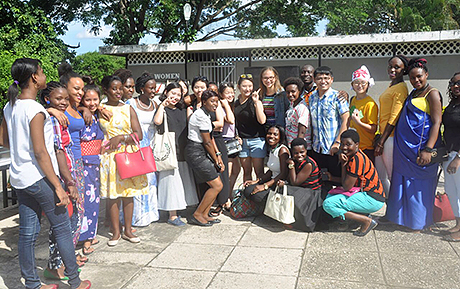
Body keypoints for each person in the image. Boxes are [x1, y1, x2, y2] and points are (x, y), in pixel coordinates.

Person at [0, 58, 91, 289]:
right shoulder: (36, 109)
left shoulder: (11, 105)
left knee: (27, 234)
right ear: (34, 78)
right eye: (41, 72)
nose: (43, 75)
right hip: (39, 178)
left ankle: (32, 283)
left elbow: (3, 140)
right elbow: (41, 153)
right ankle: (75, 281)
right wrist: (59, 186)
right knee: (62, 226)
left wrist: (22, 149)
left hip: (20, 178)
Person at [386, 58, 443, 231]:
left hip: (420, 150)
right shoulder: (413, 94)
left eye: (419, 77)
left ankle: (418, 222)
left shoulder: (432, 93)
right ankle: (401, 219)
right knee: (403, 184)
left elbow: (436, 122)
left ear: (426, 74)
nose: (416, 81)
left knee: (419, 187)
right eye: (412, 78)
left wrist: (428, 149)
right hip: (405, 150)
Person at [38, 82, 81, 279]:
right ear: (48, 99)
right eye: (58, 99)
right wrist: (68, 181)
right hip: (60, 175)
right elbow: (58, 151)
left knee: (69, 221)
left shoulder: (57, 116)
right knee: (62, 224)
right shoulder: (51, 119)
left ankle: (61, 263)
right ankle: (54, 266)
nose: (63, 102)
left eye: (65, 98)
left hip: (67, 172)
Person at [99, 75, 148, 245]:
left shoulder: (128, 109)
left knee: (128, 194)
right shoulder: (100, 108)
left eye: (120, 88)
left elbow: (139, 135)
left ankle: (128, 230)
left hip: (127, 155)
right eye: (114, 88)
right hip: (109, 158)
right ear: (106, 90)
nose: (119, 92)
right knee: (113, 196)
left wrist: (121, 137)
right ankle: (115, 231)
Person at [323, 130, 386, 237]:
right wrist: (332, 177)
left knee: (328, 204)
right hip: (368, 194)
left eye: (348, 144)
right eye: (342, 144)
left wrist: (343, 165)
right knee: (331, 195)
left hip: (372, 198)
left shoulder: (357, 159)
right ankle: (351, 219)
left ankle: (366, 221)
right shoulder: (355, 155)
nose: (344, 147)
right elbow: (347, 182)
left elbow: (347, 186)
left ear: (357, 145)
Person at [154, 83, 198, 226]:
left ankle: (180, 209)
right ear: (166, 92)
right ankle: (172, 215)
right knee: (171, 182)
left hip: (183, 149)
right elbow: (157, 121)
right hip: (169, 150)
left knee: (181, 181)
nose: (175, 97)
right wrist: (162, 105)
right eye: (172, 93)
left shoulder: (183, 108)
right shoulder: (162, 109)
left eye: (178, 95)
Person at [58, 63, 87, 264]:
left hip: (79, 162)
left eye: (82, 89)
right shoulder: (58, 110)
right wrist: (52, 109)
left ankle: (71, 252)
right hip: (67, 164)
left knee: (79, 211)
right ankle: (65, 257)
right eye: (76, 88)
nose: (80, 92)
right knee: (72, 211)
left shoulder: (75, 107)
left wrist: (85, 107)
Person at [185, 90, 225, 226]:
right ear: (204, 102)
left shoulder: (206, 114)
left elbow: (211, 138)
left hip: (200, 151)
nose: (215, 104)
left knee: (215, 185)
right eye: (212, 101)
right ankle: (197, 214)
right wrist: (216, 159)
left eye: (217, 101)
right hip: (195, 152)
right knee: (217, 185)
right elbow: (207, 141)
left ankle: (204, 214)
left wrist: (218, 155)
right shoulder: (201, 116)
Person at [127, 72, 160, 227]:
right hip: (135, 146)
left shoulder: (155, 104)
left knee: (151, 181)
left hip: (150, 147)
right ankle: (137, 217)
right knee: (137, 182)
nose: (153, 91)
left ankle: (151, 214)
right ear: (141, 89)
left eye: (154, 88)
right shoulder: (130, 104)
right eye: (150, 88)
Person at [374, 55, 409, 195]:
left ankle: (397, 212)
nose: (392, 69)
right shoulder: (392, 85)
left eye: (397, 67)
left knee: (391, 176)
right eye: (390, 66)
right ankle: (390, 208)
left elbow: (394, 117)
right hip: (383, 136)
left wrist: (381, 141)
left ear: (404, 70)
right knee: (381, 176)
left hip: (390, 139)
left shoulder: (401, 88)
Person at [308, 66, 349, 185]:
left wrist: (337, 142)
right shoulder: (311, 98)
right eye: (319, 78)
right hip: (317, 148)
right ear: (314, 80)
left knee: (336, 180)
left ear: (331, 80)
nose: (323, 81)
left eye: (326, 78)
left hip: (333, 149)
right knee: (321, 180)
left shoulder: (338, 97)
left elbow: (346, 119)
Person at [78, 84, 104, 253]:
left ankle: (90, 234)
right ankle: (85, 238)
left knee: (94, 201)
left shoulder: (97, 115)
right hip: (84, 164)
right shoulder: (80, 115)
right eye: (88, 99)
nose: (92, 103)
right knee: (86, 201)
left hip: (95, 163)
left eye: (95, 99)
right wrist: (82, 108)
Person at [282, 138, 323, 231]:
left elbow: (295, 182)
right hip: (304, 188)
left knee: (287, 191)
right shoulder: (297, 161)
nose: (299, 155)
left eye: (302, 152)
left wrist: (291, 166)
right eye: (296, 153)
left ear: (306, 151)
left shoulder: (308, 164)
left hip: (313, 192)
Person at [243, 125, 290, 203]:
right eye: (269, 133)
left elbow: (283, 174)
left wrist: (265, 186)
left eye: (275, 134)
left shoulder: (282, 150)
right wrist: (257, 181)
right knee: (248, 188)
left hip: (280, 184)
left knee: (253, 193)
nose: (271, 136)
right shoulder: (272, 149)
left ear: (280, 137)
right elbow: (271, 170)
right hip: (272, 181)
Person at [234, 74, 266, 181]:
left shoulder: (256, 101)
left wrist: (256, 102)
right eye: (244, 86)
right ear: (238, 87)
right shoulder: (236, 103)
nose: (247, 89)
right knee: (246, 172)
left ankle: (258, 196)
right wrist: (236, 135)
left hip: (257, 140)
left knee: (259, 172)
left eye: (250, 86)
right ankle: (246, 196)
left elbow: (262, 120)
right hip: (243, 142)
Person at [441, 72, 460, 241]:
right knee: (451, 191)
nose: (456, 86)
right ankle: (458, 223)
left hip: (458, 156)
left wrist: (458, 158)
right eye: (453, 83)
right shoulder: (452, 105)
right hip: (449, 153)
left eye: (459, 83)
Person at [348, 65, 378, 163]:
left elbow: (373, 129)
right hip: (352, 146)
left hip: (366, 147)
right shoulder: (352, 100)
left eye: (363, 82)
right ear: (352, 85)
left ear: (368, 84)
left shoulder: (370, 104)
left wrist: (359, 123)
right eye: (356, 82)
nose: (359, 85)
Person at [219, 82, 240, 201]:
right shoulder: (221, 107)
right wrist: (225, 104)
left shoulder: (232, 105)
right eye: (227, 93)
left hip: (233, 140)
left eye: (232, 92)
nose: (231, 95)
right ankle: (224, 199)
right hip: (226, 141)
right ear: (221, 94)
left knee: (237, 170)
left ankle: (229, 193)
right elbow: (230, 120)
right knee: (228, 172)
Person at [283, 77, 311, 148]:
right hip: (291, 145)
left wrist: (297, 147)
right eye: (288, 92)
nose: (290, 94)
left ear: (300, 91)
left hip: (300, 149)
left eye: (293, 91)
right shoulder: (292, 105)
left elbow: (302, 131)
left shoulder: (302, 107)